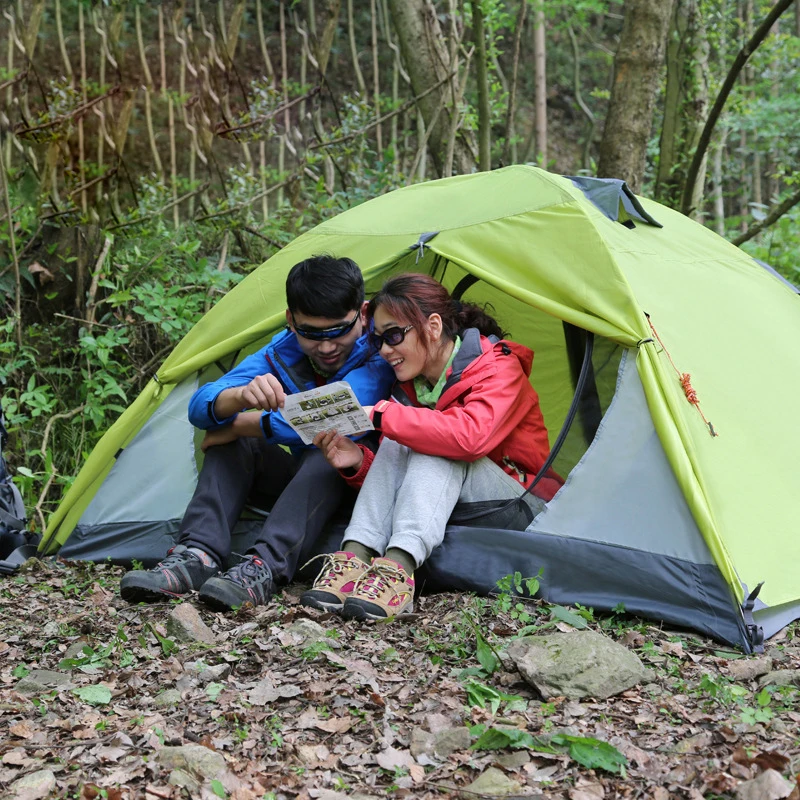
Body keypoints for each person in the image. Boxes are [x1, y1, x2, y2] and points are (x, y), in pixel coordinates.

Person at [120, 255, 395, 610]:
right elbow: (200, 406)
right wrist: (237, 398)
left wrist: (238, 422)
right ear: (290, 321)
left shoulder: (382, 352)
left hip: (361, 487)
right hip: (300, 487)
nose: (326, 347)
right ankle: (197, 556)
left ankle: (263, 568)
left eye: (338, 331)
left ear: (363, 313)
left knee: (327, 446)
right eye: (311, 333)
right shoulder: (283, 351)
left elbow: (333, 415)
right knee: (239, 441)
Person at [300, 273, 562, 621]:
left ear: (433, 325)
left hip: (520, 505)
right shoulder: (410, 385)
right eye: (378, 340)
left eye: (393, 336)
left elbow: (469, 439)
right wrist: (358, 463)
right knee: (405, 432)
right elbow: (413, 484)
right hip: (456, 503)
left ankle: (397, 570)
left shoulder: (499, 368)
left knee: (426, 433)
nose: (386, 350)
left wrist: (382, 416)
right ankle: (354, 559)